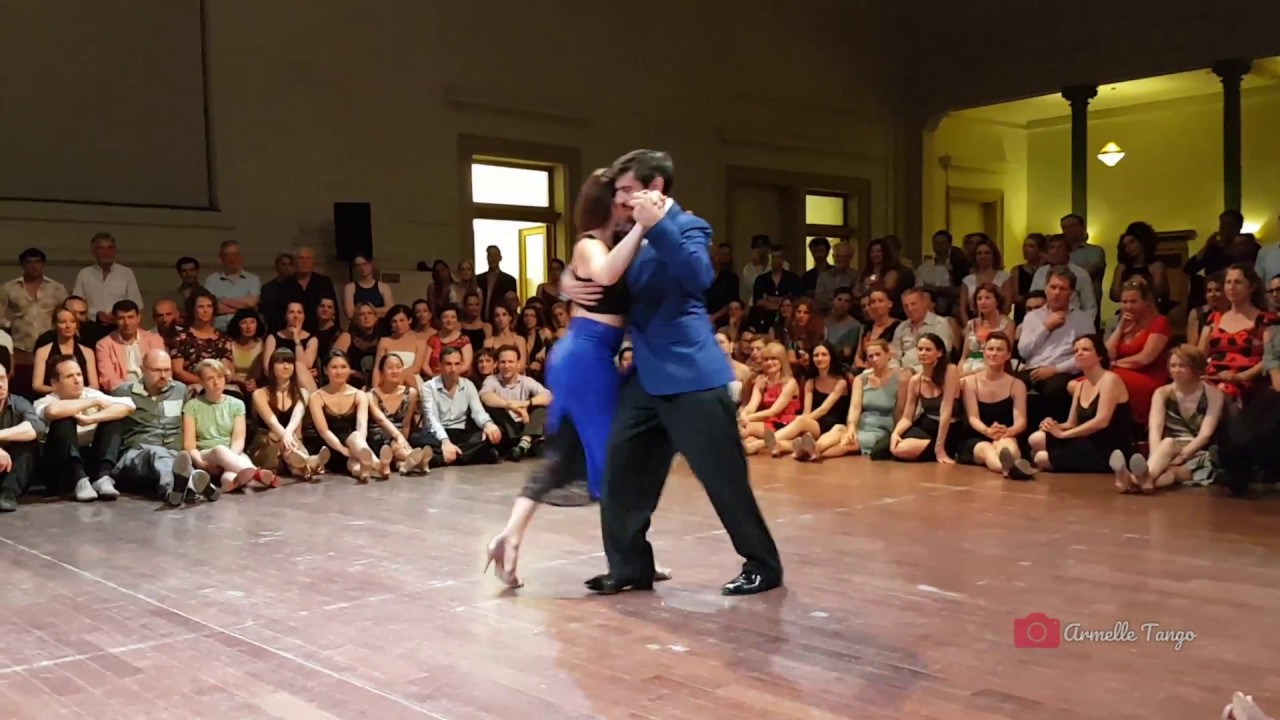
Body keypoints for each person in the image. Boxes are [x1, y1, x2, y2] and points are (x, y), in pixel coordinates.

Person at [563, 149, 782, 597]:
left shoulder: (687, 227)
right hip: (644, 376)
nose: (619, 199)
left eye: (626, 190)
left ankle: (762, 564)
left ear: (654, 188)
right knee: (620, 470)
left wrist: (658, 224)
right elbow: (606, 282)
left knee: (723, 477)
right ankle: (629, 566)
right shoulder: (628, 235)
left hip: (691, 375)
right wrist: (568, 281)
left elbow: (697, 275)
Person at [483, 167, 650, 587]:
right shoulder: (591, 244)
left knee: (569, 454)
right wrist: (641, 229)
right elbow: (607, 273)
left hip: (591, 359)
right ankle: (631, 559)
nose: (628, 200)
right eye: (621, 195)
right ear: (606, 202)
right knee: (612, 458)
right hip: (584, 360)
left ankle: (509, 539)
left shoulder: (611, 243)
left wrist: (563, 284)